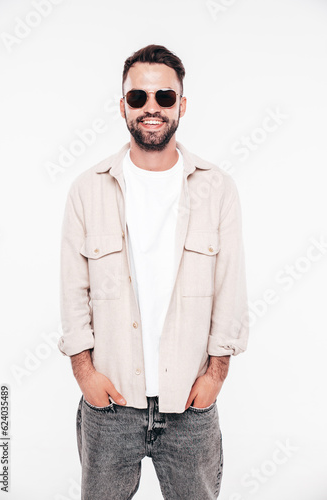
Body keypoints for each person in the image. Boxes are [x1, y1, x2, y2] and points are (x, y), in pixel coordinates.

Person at [57, 44, 249, 500]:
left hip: (190, 404)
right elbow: (72, 290)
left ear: (181, 105)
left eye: (164, 97)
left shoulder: (217, 188)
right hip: (110, 405)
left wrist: (214, 377)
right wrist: (86, 375)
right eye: (138, 98)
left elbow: (231, 288)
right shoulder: (88, 189)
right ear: (122, 105)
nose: (151, 108)